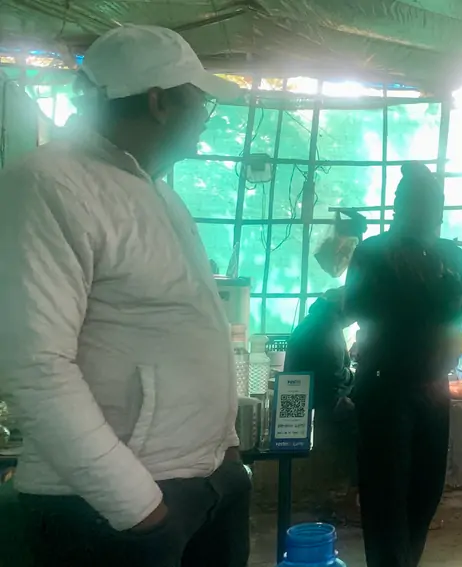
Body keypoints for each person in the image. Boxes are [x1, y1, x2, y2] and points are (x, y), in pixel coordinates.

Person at [0, 25, 250, 567]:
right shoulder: (48, 184)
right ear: (159, 102)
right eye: (199, 99)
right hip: (114, 507)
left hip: (201, 484)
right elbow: (34, 366)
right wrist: (138, 508)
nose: (205, 114)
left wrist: (225, 452)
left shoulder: (156, 191)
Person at [343, 162, 462, 567]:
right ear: (400, 205)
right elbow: (355, 305)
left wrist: (458, 298)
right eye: (419, 200)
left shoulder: (450, 253)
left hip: (434, 387)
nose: (432, 210)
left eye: (436, 202)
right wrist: (428, 299)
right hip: (384, 385)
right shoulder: (374, 250)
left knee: (426, 491)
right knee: (385, 493)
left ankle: (406, 561)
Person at [284, 287, 360, 523]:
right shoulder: (327, 330)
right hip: (320, 406)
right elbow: (333, 377)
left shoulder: (314, 322)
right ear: (344, 309)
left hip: (300, 401)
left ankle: (330, 500)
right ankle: (342, 501)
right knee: (369, 431)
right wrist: (355, 374)